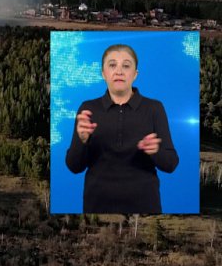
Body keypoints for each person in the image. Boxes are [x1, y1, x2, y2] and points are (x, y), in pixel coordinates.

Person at [65, 43, 179, 213]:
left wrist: (155, 151)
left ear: (135, 74)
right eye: (112, 65)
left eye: (126, 66)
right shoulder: (88, 109)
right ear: (103, 73)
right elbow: (74, 166)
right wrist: (81, 141)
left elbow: (171, 164)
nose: (119, 71)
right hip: (97, 207)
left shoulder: (154, 108)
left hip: (145, 208)